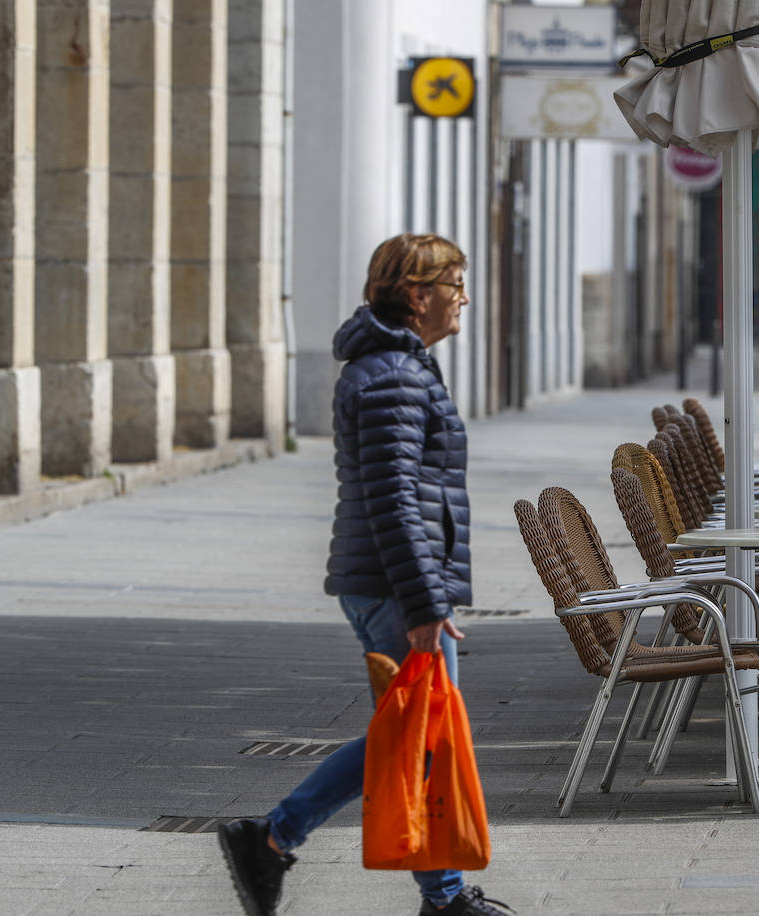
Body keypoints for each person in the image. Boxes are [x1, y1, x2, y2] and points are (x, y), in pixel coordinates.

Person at [217, 234, 511, 916]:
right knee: (416, 736)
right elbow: (393, 498)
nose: (462, 296)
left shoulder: (397, 368)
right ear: (417, 294)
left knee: (413, 736)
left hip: (387, 581)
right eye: (454, 283)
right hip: (392, 585)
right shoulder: (394, 376)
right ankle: (274, 837)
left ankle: (433, 893)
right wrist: (425, 602)